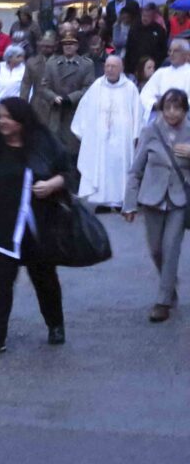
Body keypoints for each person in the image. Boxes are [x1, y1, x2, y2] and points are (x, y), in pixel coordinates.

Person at [0, 97, 70, 357]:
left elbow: (67, 171)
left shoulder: (43, 141)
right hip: (1, 225)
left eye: (7, 116)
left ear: (21, 118)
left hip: (36, 224)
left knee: (44, 277)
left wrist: (53, 184)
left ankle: (55, 324)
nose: (2, 121)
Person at [123, 89, 190, 323]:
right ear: (161, 109)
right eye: (168, 107)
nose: (172, 113)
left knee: (171, 247)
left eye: (178, 108)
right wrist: (129, 204)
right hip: (152, 199)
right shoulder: (151, 131)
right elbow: (136, 169)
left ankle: (162, 302)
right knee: (156, 250)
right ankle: (169, 285)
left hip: (179, 200)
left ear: (185, 109)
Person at [73, 55, 145, 210]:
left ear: (121, 69)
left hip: (123, 139)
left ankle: (120, 200)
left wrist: (136, 135)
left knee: (121, 166)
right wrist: (86, 133)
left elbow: (137, 113)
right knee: (101, 165)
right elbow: (85, 108)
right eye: (107, 66)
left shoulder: (130, 88)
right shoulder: (97, 86)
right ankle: (101, 201)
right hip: (100, 138)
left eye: (114, 66)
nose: (110, 69)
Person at [40, 31, 97, 165]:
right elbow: (43, 86)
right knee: (55, 150)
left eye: (71, 44)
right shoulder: (52, 63)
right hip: (55, 112)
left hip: (75, 112)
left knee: (73, 153)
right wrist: (53, 97)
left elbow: (89, 87)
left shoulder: (86, 64)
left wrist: (71, 98)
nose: (68, 46)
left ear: (77, 46)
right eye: (65, 44)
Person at [140, 38, 190, 118]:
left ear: (186, 54)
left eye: (176, 51)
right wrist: (155, 104)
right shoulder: (161, 72)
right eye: (170, 51)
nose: (171, 54)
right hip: (160, 118)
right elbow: (145, 95)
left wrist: (174, 106)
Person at [125, 3, 169, 77]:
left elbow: (163, 51)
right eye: (143, 16)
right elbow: (129, 47)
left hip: (152, 66)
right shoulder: (134, 27)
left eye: (148, 16)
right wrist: (127, 67)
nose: (145, 18)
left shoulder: (159, 30)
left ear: (153, 17)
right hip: (135, 66)